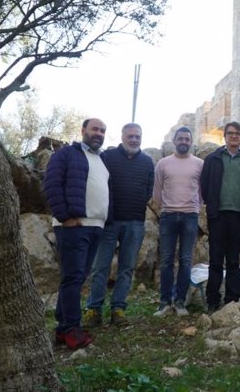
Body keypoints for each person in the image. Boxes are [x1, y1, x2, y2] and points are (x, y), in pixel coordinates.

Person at [43, 118, 110, 349]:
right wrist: (64, 217)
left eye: (102, 131)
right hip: (74, 226)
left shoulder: (100, 160)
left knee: (77, 278)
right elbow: (51, 184)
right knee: (73, 278)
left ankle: (63, 329)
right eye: (94, 129)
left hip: (95, 227)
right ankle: (72, 328)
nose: (98, 133)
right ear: (83, 131)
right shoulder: (66, 154)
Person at [84, 123, 154, 327]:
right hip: (109, 222)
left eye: (137, 137)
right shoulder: (108, 157)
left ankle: (118, 310)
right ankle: (93, 310)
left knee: (126, 268)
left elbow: (148, 190)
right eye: (130, 136)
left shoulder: (147, 162)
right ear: (122, 137)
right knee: (100, 267)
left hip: (135, 222)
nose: (134, 140)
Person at [200, 122, 240, 313]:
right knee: (216, 259)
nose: (234, 136)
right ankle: (212, 300)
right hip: (217, 215)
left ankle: (232, 299)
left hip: (238, 216)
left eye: (238, 134)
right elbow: (205, 185)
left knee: (234, 259)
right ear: (224, 136)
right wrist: (212, 205)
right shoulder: (213, 158)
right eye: (230, 133)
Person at [151, 126, 204, 317]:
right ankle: (164, 302)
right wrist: (167, 206)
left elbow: (202, 191)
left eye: (187, 139)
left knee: (186, 260)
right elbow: (157, 191)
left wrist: (195, 207)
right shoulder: (163, 164)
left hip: (190, 215)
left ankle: (180, 301)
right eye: (180, 139)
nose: (183, 142)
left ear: (191, 142)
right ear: (175, 141)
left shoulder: (199, 164)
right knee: (166, 260)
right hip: (168, 216)